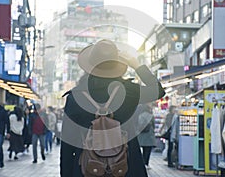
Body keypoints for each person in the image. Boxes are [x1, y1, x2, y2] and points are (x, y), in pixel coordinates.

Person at [60, 39, 165, 177]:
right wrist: (137, 66)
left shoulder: (75, 97)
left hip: (86, 168)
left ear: (90, 66)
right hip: (127, 166)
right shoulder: (129, 92)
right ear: (117, 65)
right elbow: (158, 91)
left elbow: (67, 145)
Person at [137, 103, 156, 170]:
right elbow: (154, 126)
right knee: (147, 151)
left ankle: (140, 163)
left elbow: (138, 125)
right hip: (149, 135)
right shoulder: (151, 116)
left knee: (140, 150)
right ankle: (146, 163)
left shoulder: (140, 116)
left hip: (141, 135)